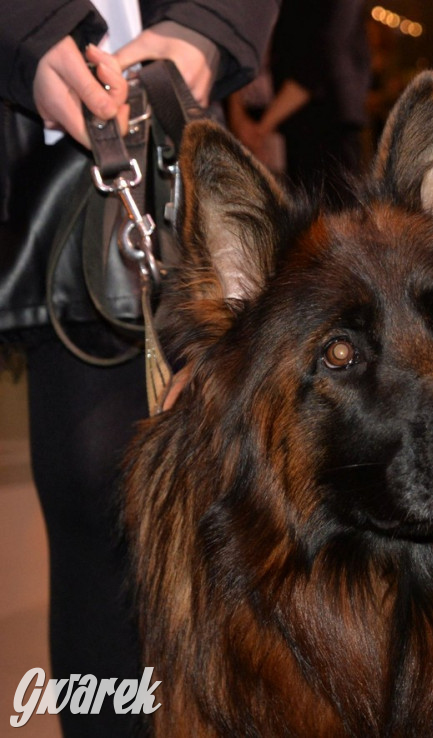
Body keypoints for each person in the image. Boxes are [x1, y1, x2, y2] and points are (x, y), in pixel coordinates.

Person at [0, 2, 278, 734]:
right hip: (50, 143)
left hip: (184, 131)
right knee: (102, 506)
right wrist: (23, 29)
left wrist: (212, 25)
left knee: (251, 502)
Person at [229, 0, 371, 208]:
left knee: (330, 218)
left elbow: (322, 58)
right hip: (268, 121)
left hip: (323, 123)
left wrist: (260, 127)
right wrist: (239, 117)